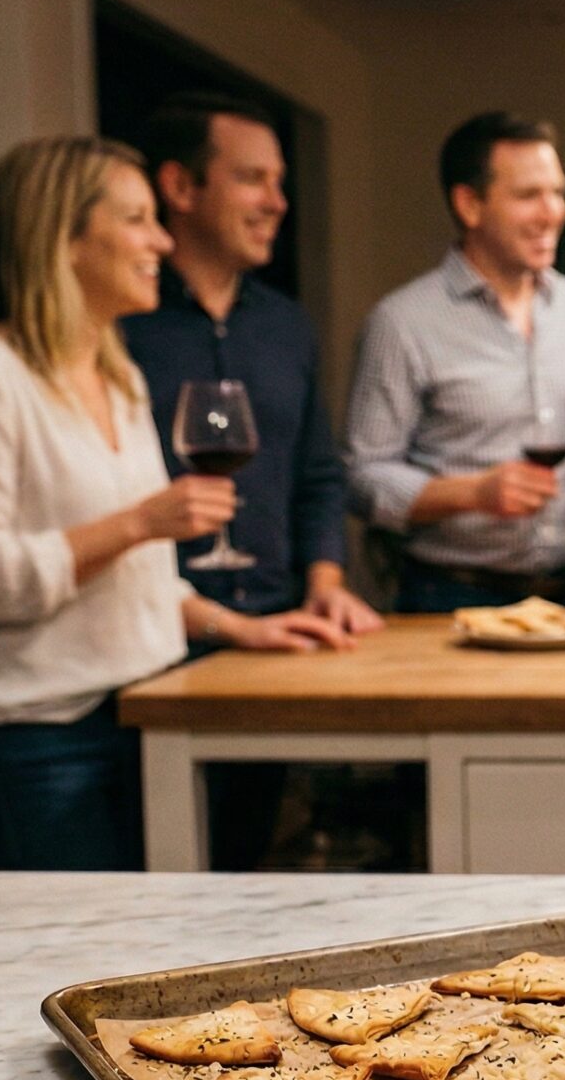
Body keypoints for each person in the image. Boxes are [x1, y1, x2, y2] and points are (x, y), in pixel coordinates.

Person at [0, 137, 342, 872]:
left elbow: (138, 577)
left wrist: (243, 627)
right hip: (33, 741)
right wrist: (141, 522)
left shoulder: (117, 378)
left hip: (139, 713)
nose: (163, 240)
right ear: (64, 239)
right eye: (139, 219)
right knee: (57, 981)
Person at [121, 91, 382, 872]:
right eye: (252, 179)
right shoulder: (120, 322)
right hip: (150, 641)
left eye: (278, 182)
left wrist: (327, 579)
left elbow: (318, 473)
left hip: (272, 632)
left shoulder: (286, 324)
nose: (277, 202)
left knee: (244, 860)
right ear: (181, 187)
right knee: (156, 870)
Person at [344, 112, 565, 612]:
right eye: (529, 195)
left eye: (558, 192)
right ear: (469, 204)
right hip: (450, 598)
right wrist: (473, 492)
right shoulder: (402, 322)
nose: (553, 212)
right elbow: (363, 476)